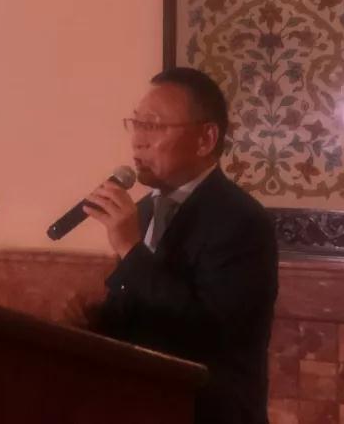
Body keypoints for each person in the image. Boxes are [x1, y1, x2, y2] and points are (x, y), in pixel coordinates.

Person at [76, 67, 278, 424]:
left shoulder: (242, 221)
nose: (138, 140)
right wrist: (88, 323)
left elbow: (206, 335)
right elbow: (143, 318)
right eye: (135, 123)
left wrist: (130, 250)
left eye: (153, 126)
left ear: (205, 139)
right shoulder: (143, 211)